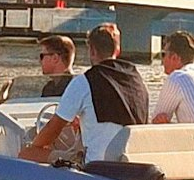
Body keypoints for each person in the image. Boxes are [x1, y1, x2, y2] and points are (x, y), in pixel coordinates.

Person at [19, 23, 148, 164]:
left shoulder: (85, 81)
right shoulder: (136, 80)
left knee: (27, 153)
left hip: (96, 165)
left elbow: (52, 129)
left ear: (92, 50)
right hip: (132, 163)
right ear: (117, 50)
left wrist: (35, 145)